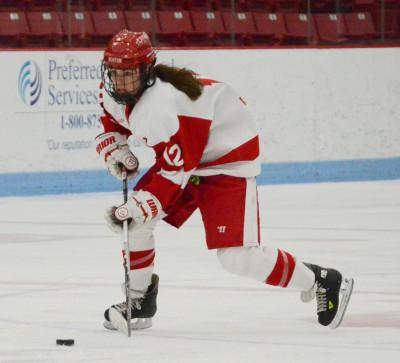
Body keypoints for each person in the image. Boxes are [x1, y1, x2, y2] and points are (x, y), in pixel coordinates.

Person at [95, 30, 354, 333]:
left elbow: (175, 173)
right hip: (191, 156)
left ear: (146, 70)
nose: (120, 81)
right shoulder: (113, 93)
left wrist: (139, 206)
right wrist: (117, 149)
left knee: (237, 258)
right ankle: (140, 303)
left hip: (227, 157)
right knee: (136, 224)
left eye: (129, 74)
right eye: (115, 73)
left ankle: (322, 280)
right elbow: (113, 121)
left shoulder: (161, 107)